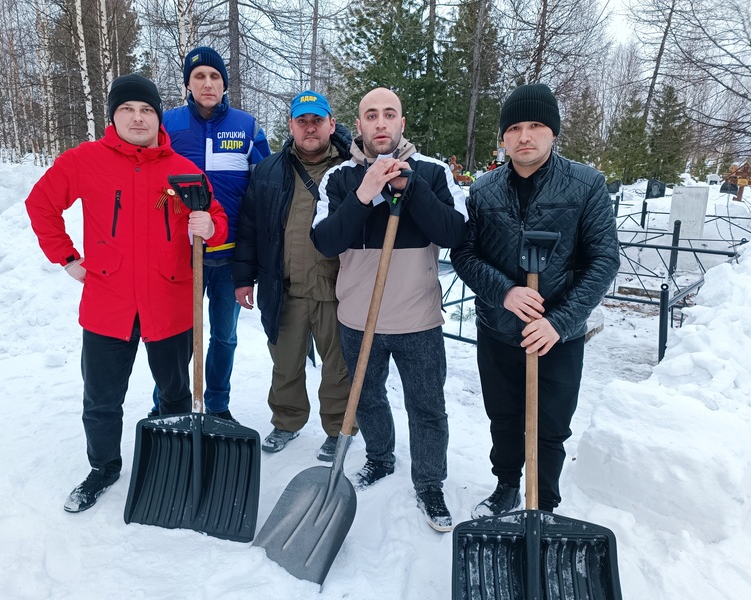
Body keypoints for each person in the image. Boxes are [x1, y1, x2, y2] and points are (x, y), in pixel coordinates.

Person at [25, 74, 229, 513]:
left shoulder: (184, 170)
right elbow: (40, 204)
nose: (138, 118)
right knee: (101, 399)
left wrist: (209, 227)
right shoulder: (85, 161)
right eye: (128, 109)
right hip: (108, 305)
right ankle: (103, 468)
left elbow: (216, 218)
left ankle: (172, 461)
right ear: (113, 116)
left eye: (147, 110)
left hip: (170, 304)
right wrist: (67, 258)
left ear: (158, 117)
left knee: (173, 394)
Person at [450, 83, 620, 517]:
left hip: (556, 339)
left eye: (536, 125)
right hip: (499, 331)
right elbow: (465, 254)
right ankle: (507, 485)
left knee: (550, 428)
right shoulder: (484, 190)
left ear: (553, 132)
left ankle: (544, 503)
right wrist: (504, 292)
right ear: (504, 137)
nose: (525, 136)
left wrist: (559, 323)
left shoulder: (586, 185)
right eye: (515, 128)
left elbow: (603, 260)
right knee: (505, 420)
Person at [311, 87, 468, 532]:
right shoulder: (340, 178)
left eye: (390, 114)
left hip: (418, 319)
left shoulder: (433, 172)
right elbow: (325, 241)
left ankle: (430, 481)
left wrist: (410, 189)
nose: (380, 123)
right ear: (358, 125)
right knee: (367, 397)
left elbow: (456, 232)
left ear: (402, 123)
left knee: (427, 405)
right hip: (358, 319)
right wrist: (365, 193)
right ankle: (380, 457)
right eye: (371, 115)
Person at [151, 46, 271, 422]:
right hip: (180, 255)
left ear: (224, 84)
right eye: (199, 75)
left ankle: (217, 405)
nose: (207, 83)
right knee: (177, 338)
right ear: (187, 82)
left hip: (230, 255)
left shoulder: (247, 127)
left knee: (224, 336)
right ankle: (167, 406)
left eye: (215, 76)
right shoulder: (167, 126)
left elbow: (267, 182)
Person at [233, 90, 354, 461]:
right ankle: (286, 421)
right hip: (283, 287)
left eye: (317, 120)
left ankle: (339, 430)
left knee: (338, 368)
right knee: (285, 363)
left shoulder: (352, 167)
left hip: (337, 290)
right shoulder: (270, 170)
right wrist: (243, 276)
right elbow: (251, 225)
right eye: (302, 121)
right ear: (291, 126)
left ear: (331, 124)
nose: (310, 128)